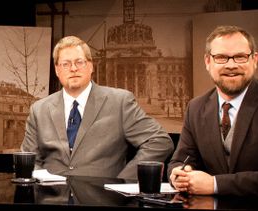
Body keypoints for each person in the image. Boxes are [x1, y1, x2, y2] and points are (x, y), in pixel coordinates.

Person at [168, 25, 258, 198]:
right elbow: (179, 161)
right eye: (221, 57)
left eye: (240, 57)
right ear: (207, 62)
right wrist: (179, 175)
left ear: (254, 60)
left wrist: (214, 184)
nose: (231, 65)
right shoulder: (195, 107)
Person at [21, 36, 173, 180]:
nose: (73, 68)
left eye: (79, 62)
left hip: (102, 201)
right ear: (57, 70)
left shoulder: (119, 102)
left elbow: (159, 141)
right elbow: (28, 159)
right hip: (51, 199)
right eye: (65, 64)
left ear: (91, 66)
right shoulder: (39, 110)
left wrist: (124, 180)